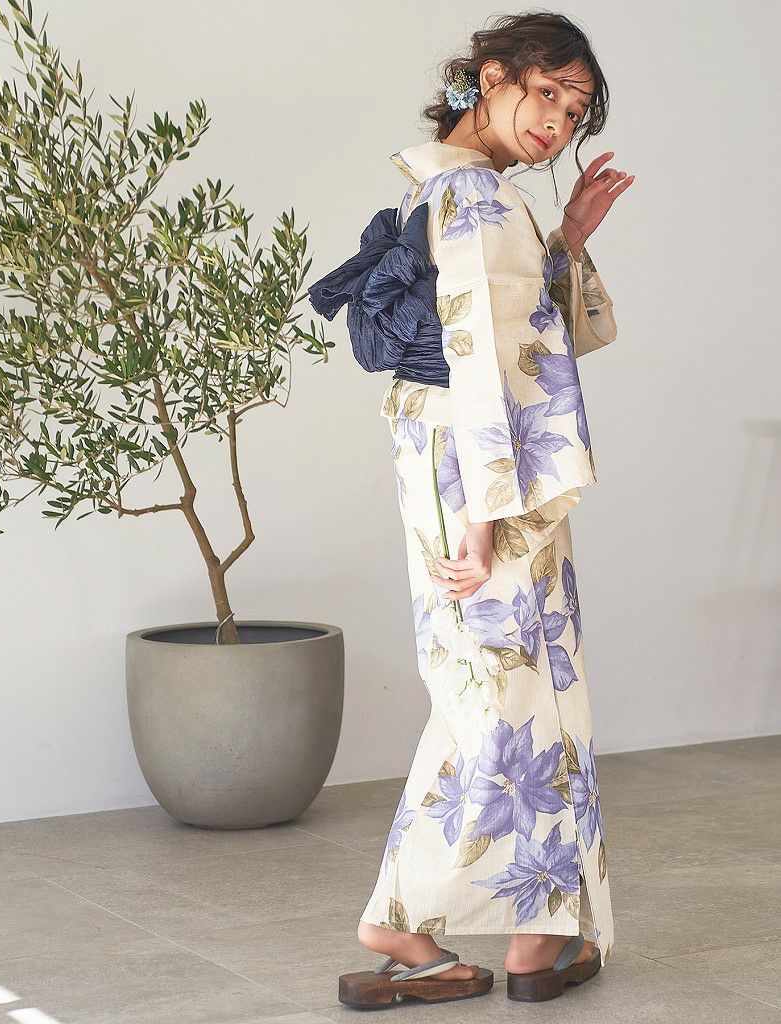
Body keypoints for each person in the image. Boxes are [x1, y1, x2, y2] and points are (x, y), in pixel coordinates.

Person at [308, 10, 633, 1010]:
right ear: (489, 77)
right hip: (485, 474)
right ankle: (497, 933)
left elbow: (507, 328)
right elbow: (490, 363)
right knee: (521, 697)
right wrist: (487, 519)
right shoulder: (478, 196)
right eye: (547, 93)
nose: (557, 122)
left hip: (447, 459)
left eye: (574, 110)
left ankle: (467, 928)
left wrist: (567, 238)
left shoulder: (448, 188)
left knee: (484, 692)